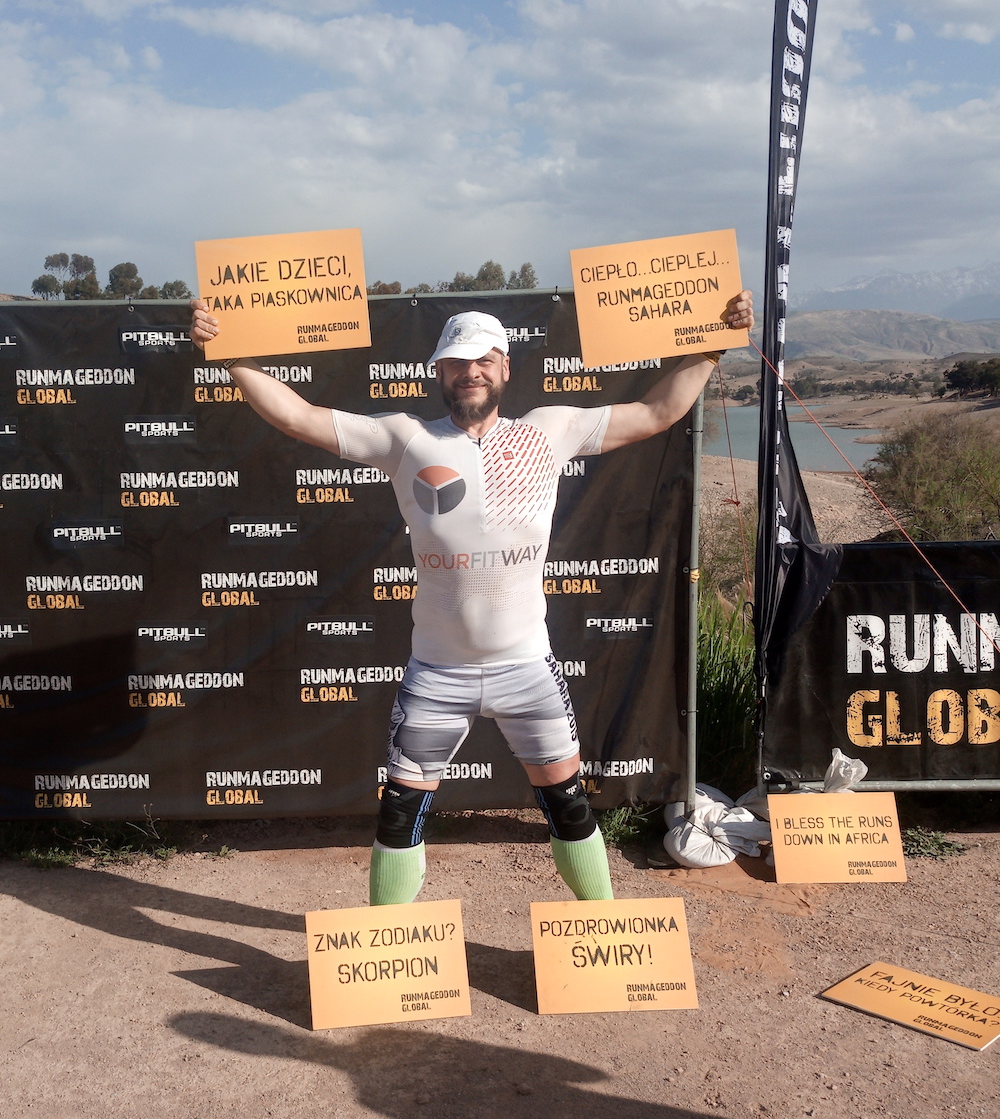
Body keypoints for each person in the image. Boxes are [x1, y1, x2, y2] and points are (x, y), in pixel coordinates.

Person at [189, 291, 753, 905]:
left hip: (526, 670)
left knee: (568, 806)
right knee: (398, 817)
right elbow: (299, 417)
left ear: (505, 366)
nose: (471, 372)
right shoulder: (405, 438)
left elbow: (655, 412)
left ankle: (604, 931)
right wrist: (232, 358)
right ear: (438, 371)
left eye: (484, 360)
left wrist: (710, 348)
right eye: (457, 362)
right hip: (438, 673)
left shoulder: (549, 430)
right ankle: (390, 945)